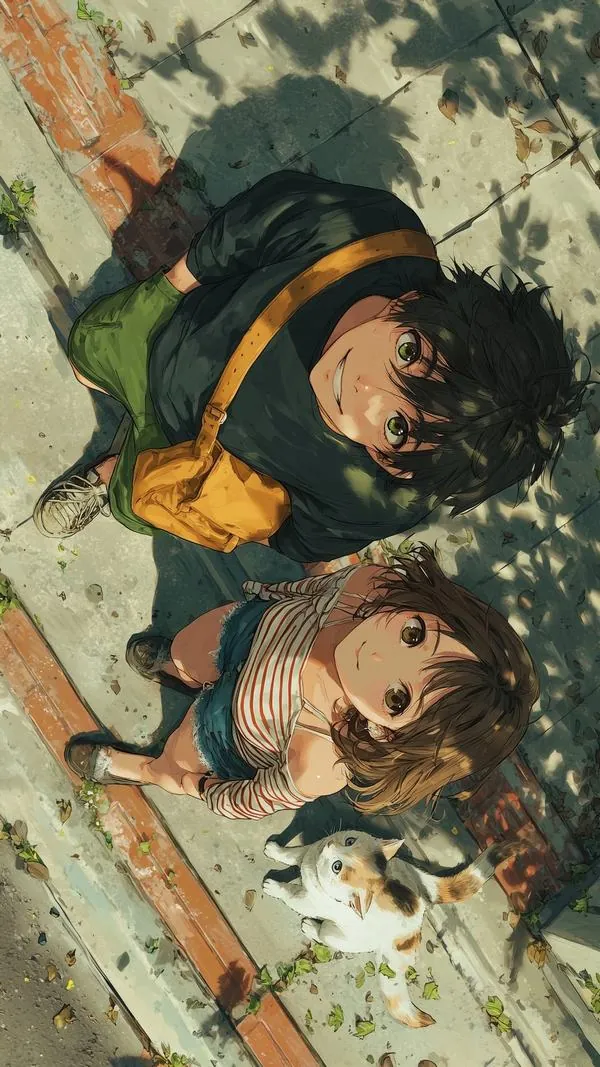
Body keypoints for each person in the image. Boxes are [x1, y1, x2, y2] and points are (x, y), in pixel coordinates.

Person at [34, 170, 585, 563]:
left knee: (140, 497)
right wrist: (172, 286)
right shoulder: (369, 235)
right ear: (422, 300)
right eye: (409, 353)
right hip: (168, 334)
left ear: (400, 470)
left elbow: (302, 539)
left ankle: (108, 479)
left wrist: (233, 503)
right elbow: (257, 222)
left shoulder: (382, 501)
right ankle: (110, 387)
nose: (364, 388)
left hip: (195, 463)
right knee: (89, 351)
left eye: (398, 428)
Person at [66, 546, 539, 819]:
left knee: (177, 761)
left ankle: (142, 770)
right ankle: (178, 669)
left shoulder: (322, 759)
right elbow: (311, 590)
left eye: (397, 697)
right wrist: (266, 596)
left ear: (389, 735)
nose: (378, 655)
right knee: (189, 648)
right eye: (414, 635)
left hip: (227, 733)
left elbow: (257, 797)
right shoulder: (371, 587)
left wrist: (202, 788)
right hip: (246, 631)